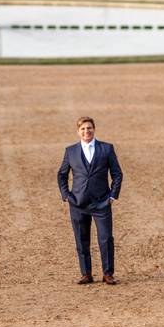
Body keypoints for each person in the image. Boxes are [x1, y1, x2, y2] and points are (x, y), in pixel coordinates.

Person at [57, 116, 123, 285]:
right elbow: (62, 175)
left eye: (89, 128)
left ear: (94, 129)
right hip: (78, 203)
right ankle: (86, 274)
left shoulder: (106, 149)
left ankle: (108, 273)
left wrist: (112, 196)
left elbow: (117, 174)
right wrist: (67, 196)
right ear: (78, 132)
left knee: (106, 238)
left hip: (102, 203)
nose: (86, 131)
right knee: (81, 239)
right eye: (83, 129)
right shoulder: (70, 151)